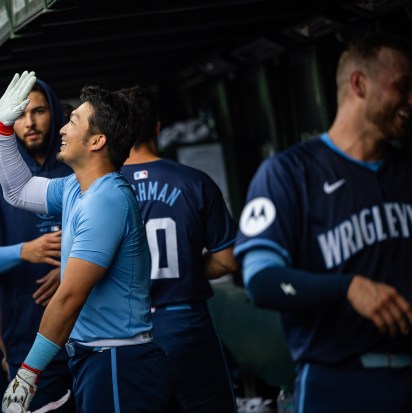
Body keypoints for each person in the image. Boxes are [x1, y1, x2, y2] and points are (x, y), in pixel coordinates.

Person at [233, 33, 412, 413]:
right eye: (402, 86)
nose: (410, 100)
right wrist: (347, 288)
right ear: (359, 84)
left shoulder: (405, 172)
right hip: (338, 381)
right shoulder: (289, 171)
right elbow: (262, 282)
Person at [0, 71, 172, 413]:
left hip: (120, 361)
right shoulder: (78, 186)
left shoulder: (106, 199)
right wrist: (2, 130)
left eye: (73, 121)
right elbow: (17, 190)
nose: (62, 128)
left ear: (96, 141)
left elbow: (70, 296)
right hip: (101, 358)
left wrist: (27, 374)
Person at [0, 79, 75, 412]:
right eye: (21, 114)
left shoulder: (78, 169)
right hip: (29, 336)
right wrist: (27, 250)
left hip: (90, 334)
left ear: (54, 113)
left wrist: (70, 271)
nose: (31, 122)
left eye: (39, 111)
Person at [120, 85, 238, 412]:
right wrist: (187, 265)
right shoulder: (195, 181)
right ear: (157, 128)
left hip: (130, 330)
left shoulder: (103, 191)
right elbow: (227, 261)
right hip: (187, 323)